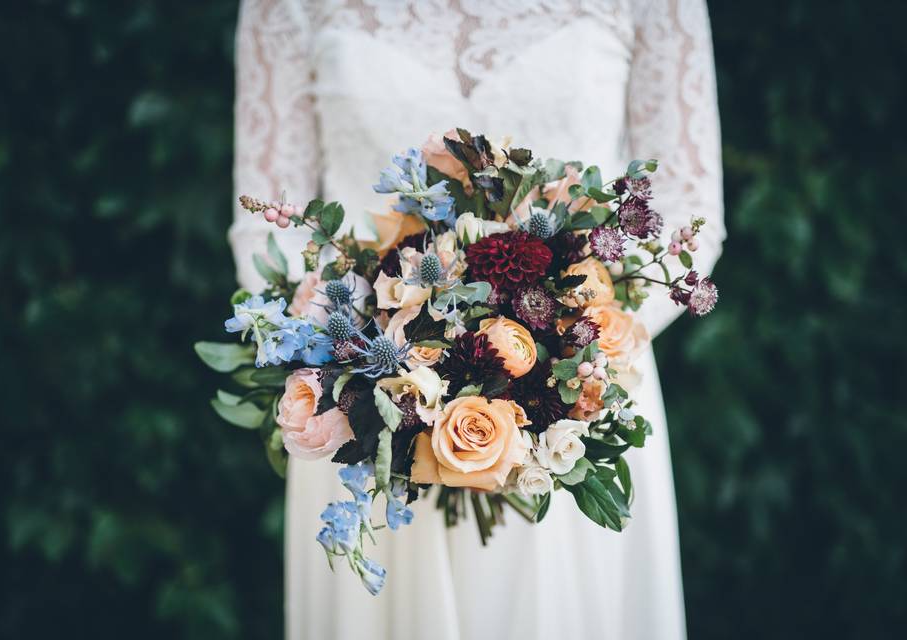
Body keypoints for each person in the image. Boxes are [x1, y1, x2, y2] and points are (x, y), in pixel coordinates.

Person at [231, 1, 725, 638]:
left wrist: (559, 357)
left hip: (571, 412)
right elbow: (263, 221)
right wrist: (378, 355)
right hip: (363, 418)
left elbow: (688, 205)